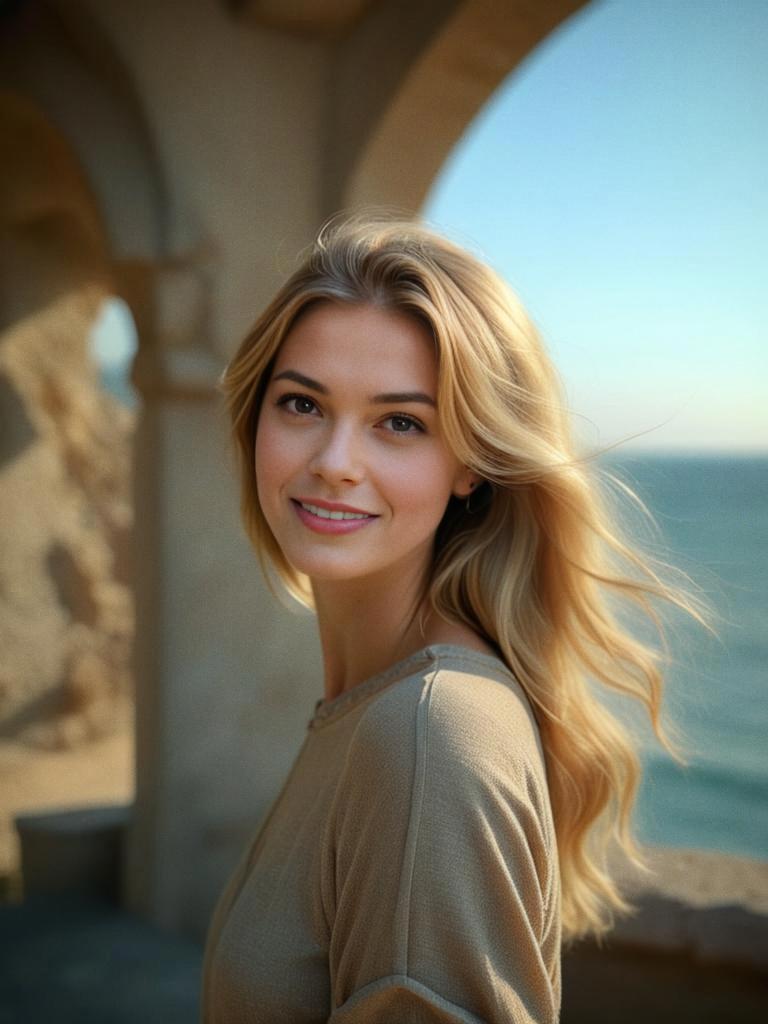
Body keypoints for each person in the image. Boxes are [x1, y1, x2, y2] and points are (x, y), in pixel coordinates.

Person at [201, 215, 704, 1023]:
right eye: (302, 404)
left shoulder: (428, 734)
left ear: (470, 461)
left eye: (400, 422)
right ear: (255, 418)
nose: (334, 461)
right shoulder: (374, 708)